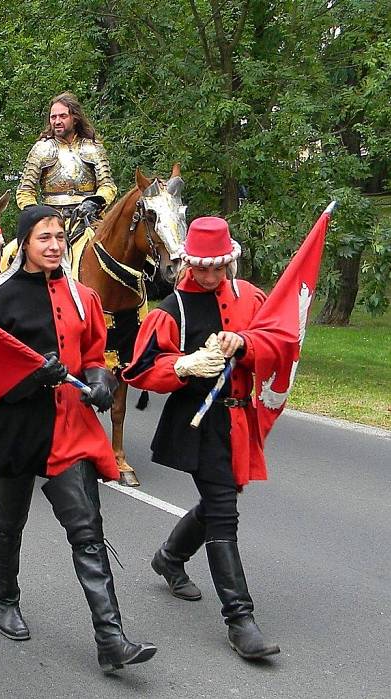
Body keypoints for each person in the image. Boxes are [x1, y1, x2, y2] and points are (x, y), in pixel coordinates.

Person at [0, 206, 157, 674]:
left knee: (87, 532)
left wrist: (100, 378)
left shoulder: (83, 295)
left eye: (60, 237)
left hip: (69, 426)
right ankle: (7, 600)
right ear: (25, 242)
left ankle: (111, 640)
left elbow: (91, 353)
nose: (54, 245)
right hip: (18, 427)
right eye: (44, 237)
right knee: (10, 522)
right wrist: (30, 378)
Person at [122, 216, 280, 660]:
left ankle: (170, 557)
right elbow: (141, 371)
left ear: (229, 262)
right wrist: (182, 366)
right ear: (187, 262)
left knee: (219, 502)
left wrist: (245, 344)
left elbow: (278, 342)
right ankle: (240, 620)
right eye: (201, 267)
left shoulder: (250, 296)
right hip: (199, 421)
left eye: (217, 267)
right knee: (224, 511)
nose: (209, 276)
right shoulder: (173, 309)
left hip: (240, 420)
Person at [17, 92, 117, 231]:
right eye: (53, 117)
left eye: (63, 116)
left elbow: (107, 185)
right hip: (53, 220)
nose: (57, 121)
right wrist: (36, 214)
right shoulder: (41, 149)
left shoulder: (93, 148)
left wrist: (95, 201)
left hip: (90, 219)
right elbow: (25, 190)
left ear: (74, 118)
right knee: (14, 250)